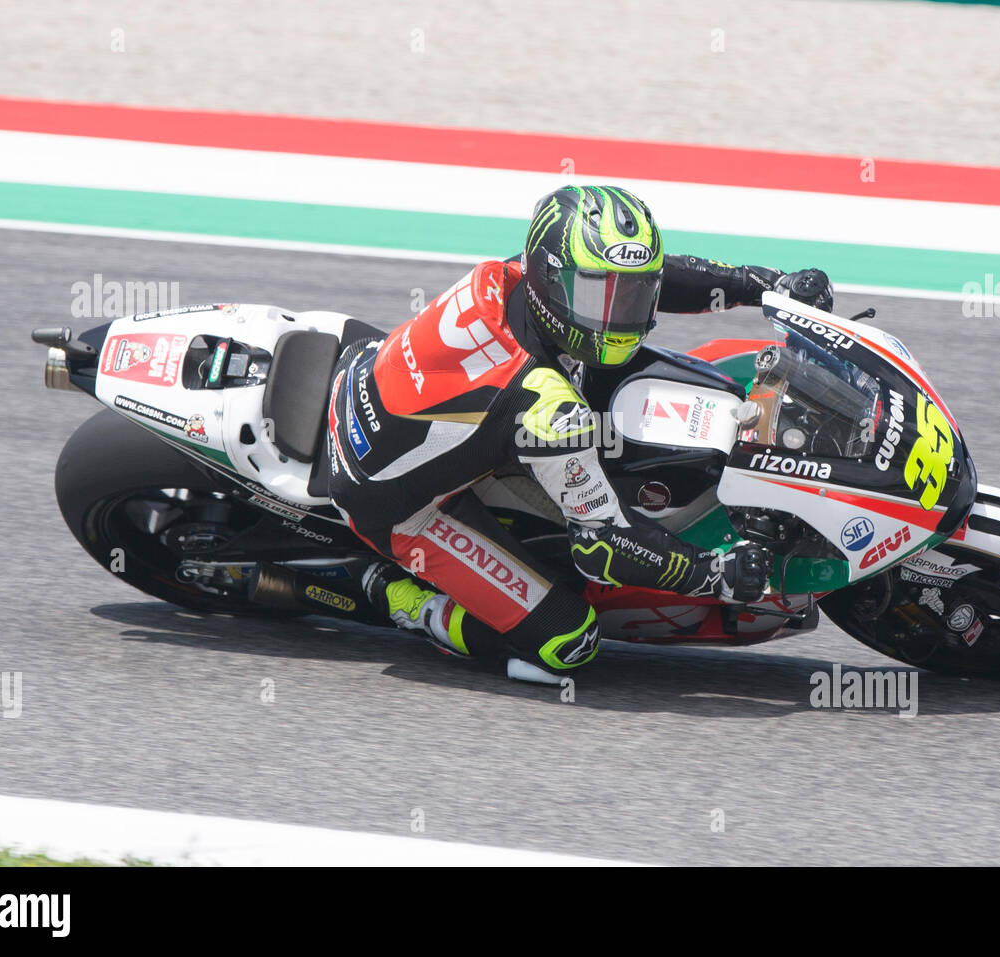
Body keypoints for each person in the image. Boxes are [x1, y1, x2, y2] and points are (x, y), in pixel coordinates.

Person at [326, 184, 833, 682]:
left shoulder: (519, 275)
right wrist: (715, 575)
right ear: (553, 282)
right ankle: (395, 596)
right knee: (568, 642)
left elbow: (656, 275)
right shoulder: (545, 407)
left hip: (374, 375)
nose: (622, 316)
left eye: (629, 295)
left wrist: (766, 284)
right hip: (394, 505)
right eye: (600, 296)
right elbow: (602, 546)